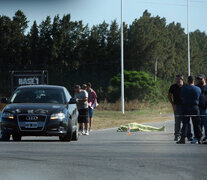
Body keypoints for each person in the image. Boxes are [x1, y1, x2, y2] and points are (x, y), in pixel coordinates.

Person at [177, 76, 202, 144]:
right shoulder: (198, 89)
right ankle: (199, 139)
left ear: (188, 81)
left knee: (185, 124)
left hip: (185, 107)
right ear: (194, 81)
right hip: (195, 107)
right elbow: (199, 97)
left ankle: (182, 139)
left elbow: (181, 97)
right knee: (197, 124)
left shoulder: (184, 89)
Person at [168, 75, 192, 141]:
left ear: (182, 79)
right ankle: (177, 135)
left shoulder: (187, 86)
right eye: (177, 79)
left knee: (187, 122)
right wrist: (172, 104)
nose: (178, 81)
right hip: (177, 106)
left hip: (186, 106)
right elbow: (169, 95)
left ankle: (189, 135)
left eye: (179, 79)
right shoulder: (173, 86)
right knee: (177, 122)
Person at [196, 74, 207, 144]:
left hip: (205, 108)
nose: (199, 80)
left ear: (204, 79)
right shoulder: (197, 87)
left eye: (201, 79)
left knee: (206, 124)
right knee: (198, 124)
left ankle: (206, 137)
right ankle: (199, 138)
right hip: (197, 108)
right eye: (198, 79)